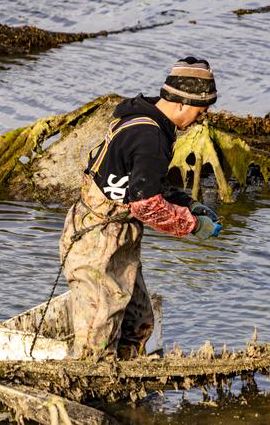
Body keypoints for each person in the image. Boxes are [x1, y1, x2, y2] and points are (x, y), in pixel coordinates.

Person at [59, 56, 222, 360]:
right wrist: (192, 225)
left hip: (119, 234)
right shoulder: (150, 136)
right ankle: (94, 390)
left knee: (139, 319)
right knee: (99, 333)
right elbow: (147, 205)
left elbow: (145, 184)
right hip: (97, 240)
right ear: (183, 104)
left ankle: (127, 381)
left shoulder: (146, 118)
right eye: (202, 110)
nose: (203, 117)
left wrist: (189, 203)